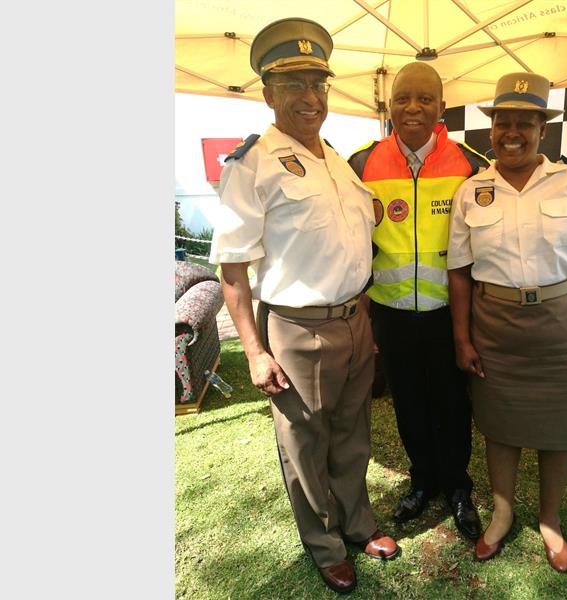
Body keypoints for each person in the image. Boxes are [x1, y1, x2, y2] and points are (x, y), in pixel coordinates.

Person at [208, 17, 397, 595]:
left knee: (352, 434)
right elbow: (233, 269)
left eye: (318, 82)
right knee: (305, 444)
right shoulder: (251, 164)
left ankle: (358, 524)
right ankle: (325, 544)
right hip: (298, 327)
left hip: (354, 320)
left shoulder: (333, 158)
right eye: (293, 84)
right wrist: (255, 352)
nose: (310, 96)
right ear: (268, 93)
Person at [447, 72, 567, 572]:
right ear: (491, 129)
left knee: (560, 430)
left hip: (565, 328)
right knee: (500, 428)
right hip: (495, 330)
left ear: (543, 130)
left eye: (525, 123)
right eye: (503, 122)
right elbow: (459, 272)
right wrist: (461, 338)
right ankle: (502, 513)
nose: (512, 133)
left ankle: (550, 519)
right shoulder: (472, 191)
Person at [348, 62, 489, 542]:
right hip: (390, 314)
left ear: (441, 107)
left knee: (452, 403)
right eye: (403, 98)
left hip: (450, 314)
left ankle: (458, 487)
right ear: (389, 105)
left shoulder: (470, 164)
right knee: (407, 402)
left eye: (424, 99)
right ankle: (422, 480)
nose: (413, 107)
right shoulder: (361, 165)